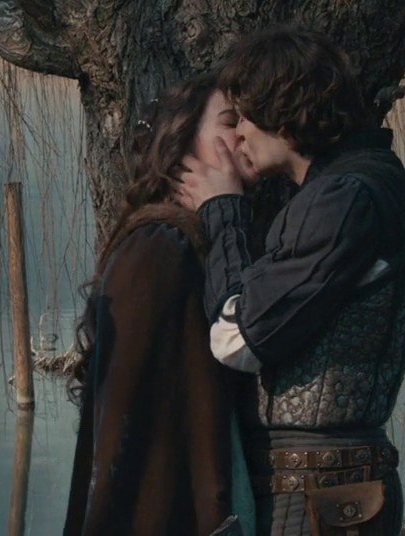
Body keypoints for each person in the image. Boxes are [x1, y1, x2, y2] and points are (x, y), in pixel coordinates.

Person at [177, 26, 405, 535]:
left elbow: (236, 338)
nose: (239, 134)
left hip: (318, 498)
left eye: (244, 115)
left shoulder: (343, 201)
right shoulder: (371, 182)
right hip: (335, 491)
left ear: (282, 110)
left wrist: (222, 211)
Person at [63, 74, 257, 536]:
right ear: (182, 144)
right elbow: (125, 424)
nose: (245, 132)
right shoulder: (161, 248)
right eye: (229, 121)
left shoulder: (203, 241)